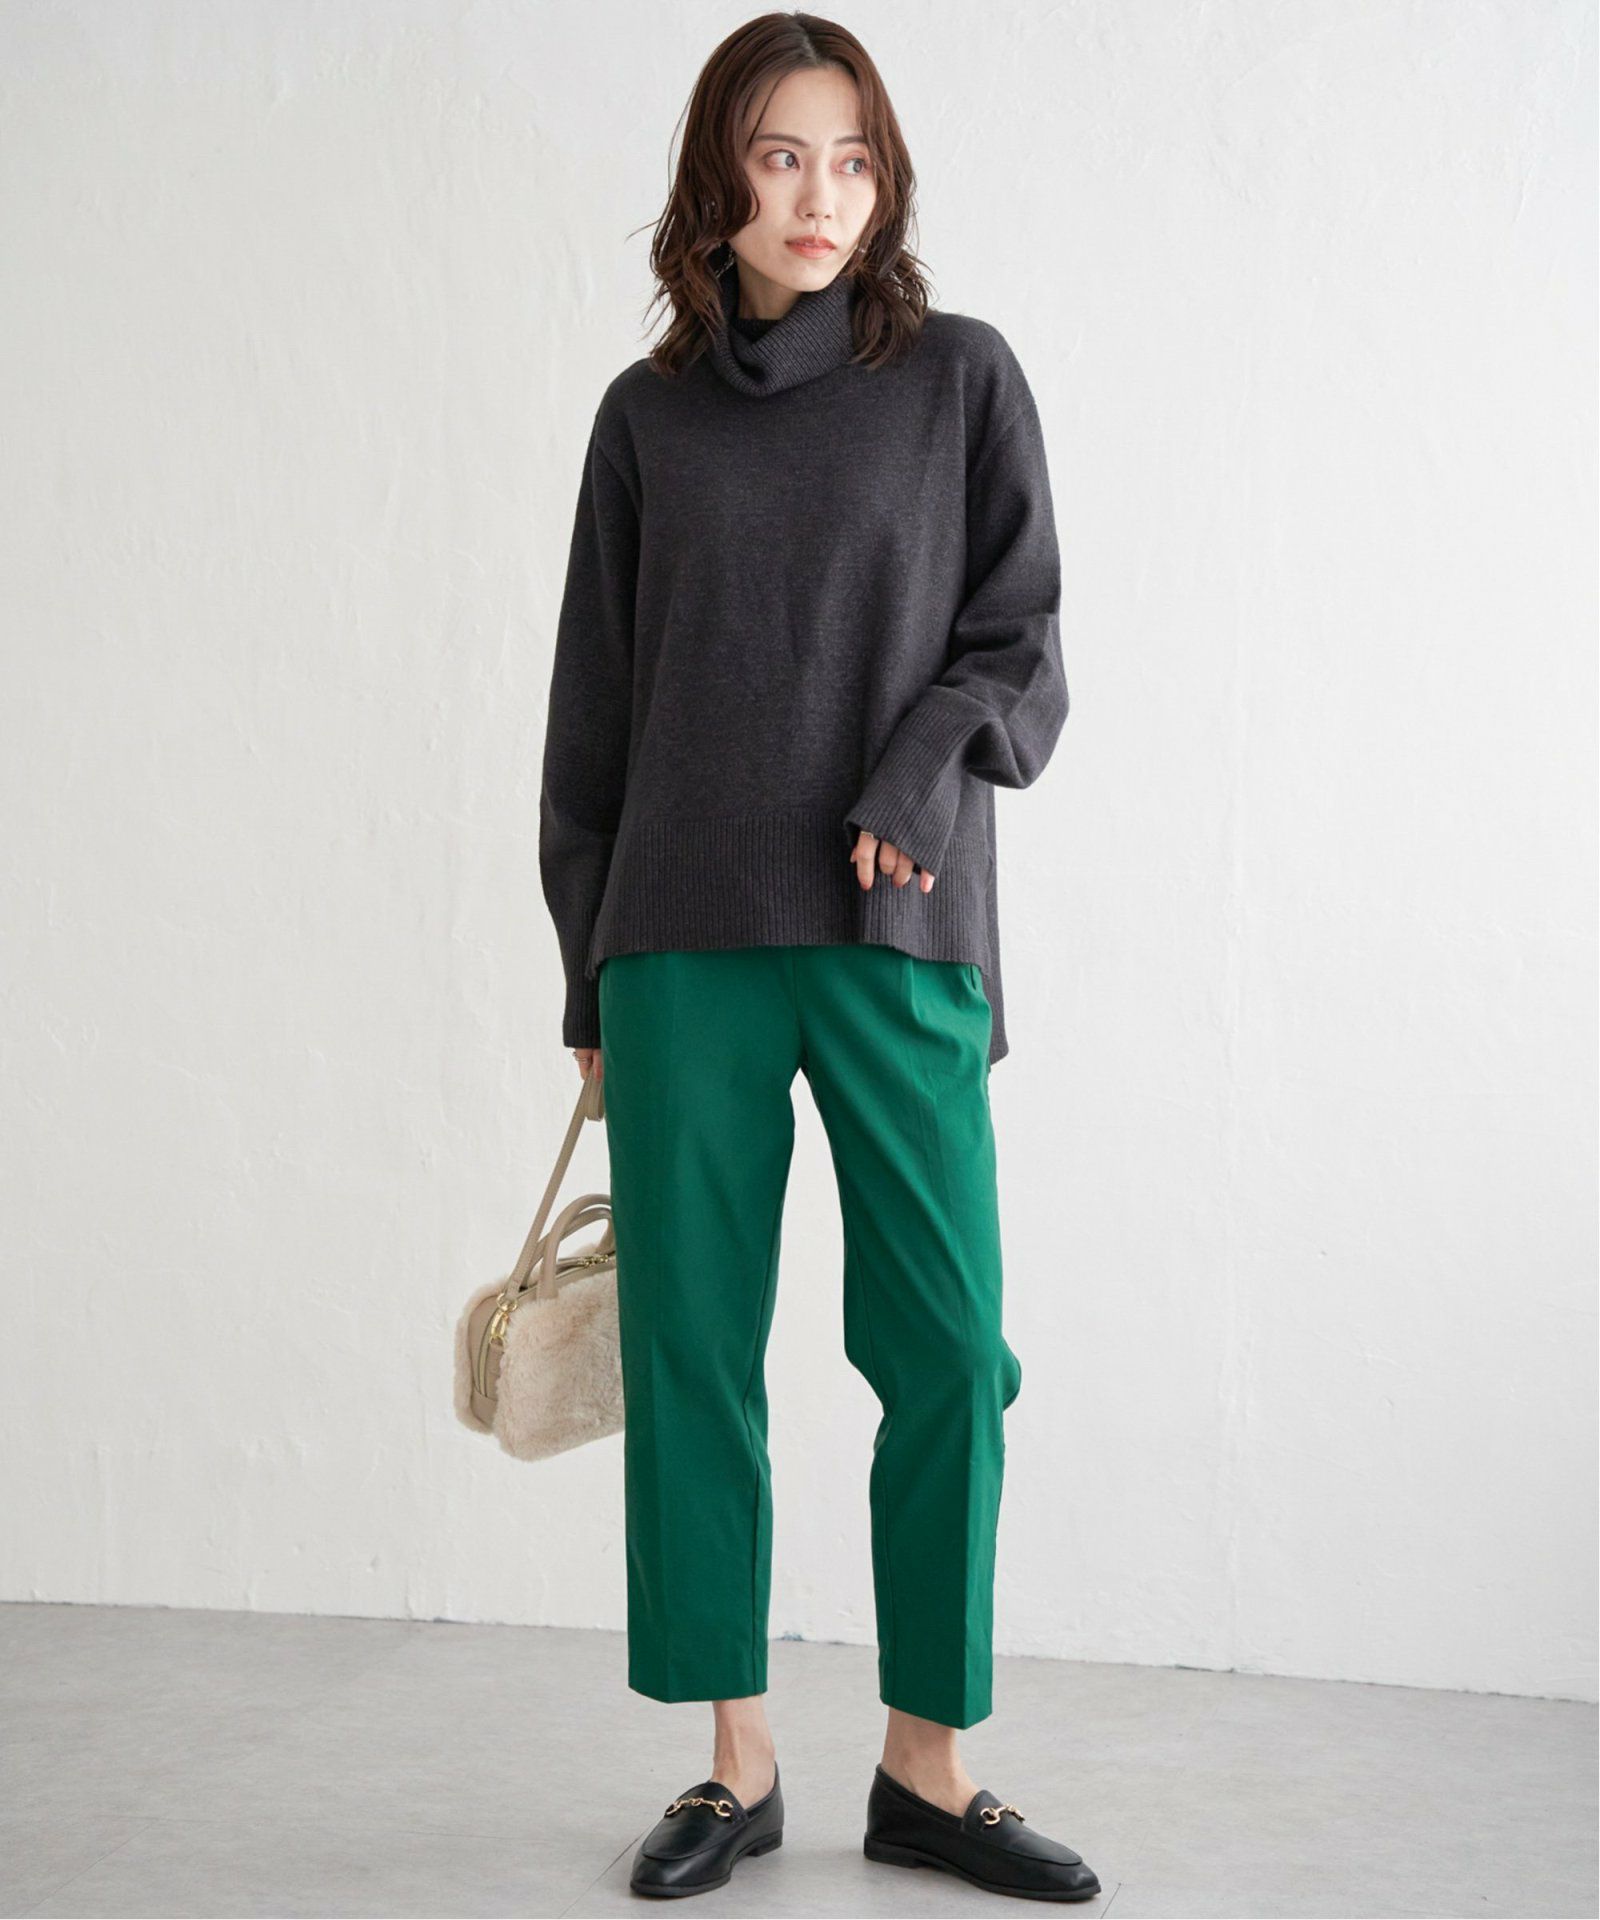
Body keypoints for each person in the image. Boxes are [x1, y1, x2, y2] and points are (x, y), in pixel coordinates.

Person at [539, 12, 1099, 1904]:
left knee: (947, 1349)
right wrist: (588, 982)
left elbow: (1022, 639)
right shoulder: (647, 421)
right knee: (695, 1352)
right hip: (680, 944)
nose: (820, 195)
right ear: (720, 175)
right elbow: (592, 721)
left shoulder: (959, 380)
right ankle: (735, 1763)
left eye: (852, 159)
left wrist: (921, 765)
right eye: (782, 156)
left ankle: (931, 1768)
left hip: (895, 925)